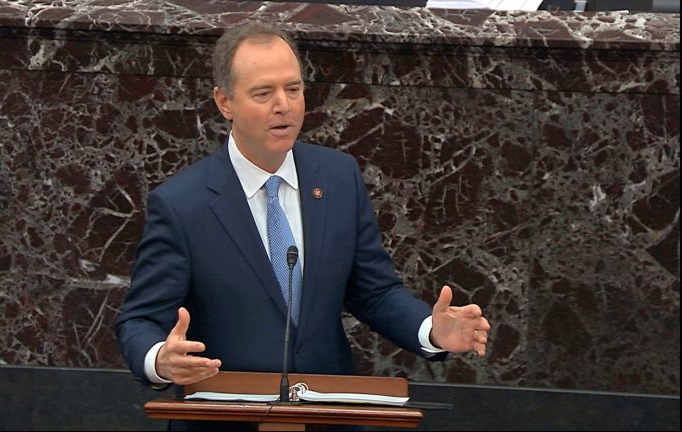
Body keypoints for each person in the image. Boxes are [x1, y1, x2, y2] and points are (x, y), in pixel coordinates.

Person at [116, 22, 491, 428]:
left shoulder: (337, 177)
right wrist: (160, 359)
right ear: (224, 102)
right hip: (224, 419)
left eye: (293, 89)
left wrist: (431, 331)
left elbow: (375, 292)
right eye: (264, 93)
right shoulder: (182, 204)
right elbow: (139, 320)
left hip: (326, 415)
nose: (284, 105)